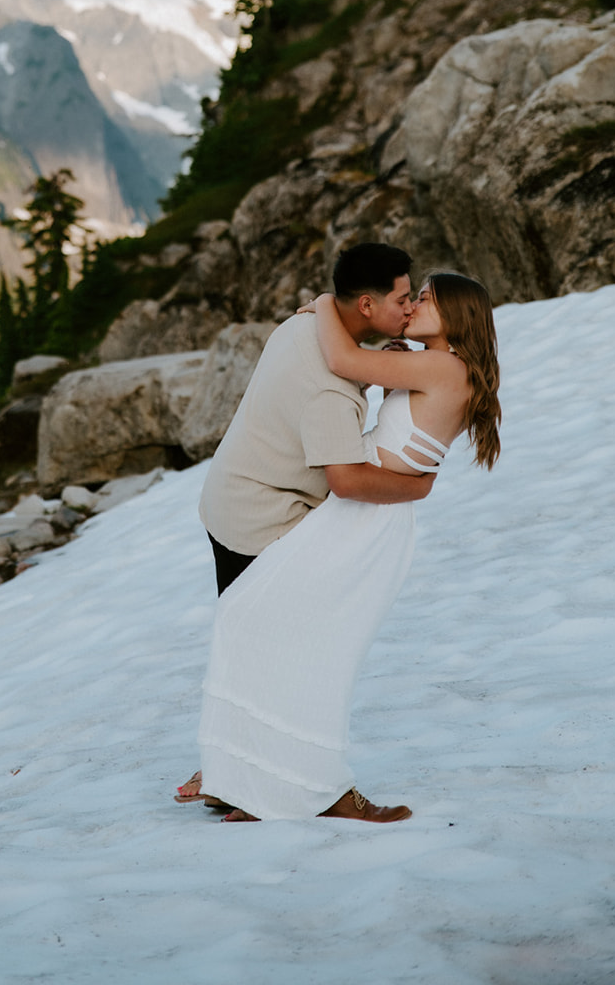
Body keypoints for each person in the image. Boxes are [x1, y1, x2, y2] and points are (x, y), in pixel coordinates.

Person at [197, 269, 501, 822]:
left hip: (364, 520)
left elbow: (342, 361)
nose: (412, 307)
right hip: (363, 517)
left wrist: (319, 303)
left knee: (295, 643)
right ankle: (247, 774)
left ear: (457, 314)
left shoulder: (441, 366)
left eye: (424, 300)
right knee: (268, 628)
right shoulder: (441, 365)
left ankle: (293, 784)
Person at [176, 242, 435, 810]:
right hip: (260, 519)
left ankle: (230, 778)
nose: (410, 308)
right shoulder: (329, 386)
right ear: (365, 305)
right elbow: (344, 478)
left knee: (253, 651)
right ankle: (296, 787)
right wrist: (417, 487)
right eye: (400, 298)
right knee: (296, 656)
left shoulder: (303, 328)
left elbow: (323, 369)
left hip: (231, 498)